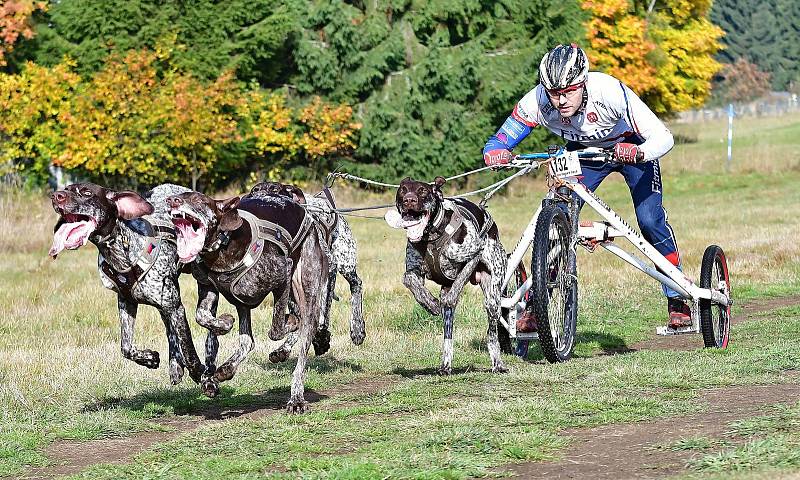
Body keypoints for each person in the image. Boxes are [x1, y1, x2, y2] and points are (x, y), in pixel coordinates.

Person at [483, 43, 691, 330]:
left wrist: (639, 152)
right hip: (583, 154)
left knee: (650, 219)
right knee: (556, 219)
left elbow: (664, 138)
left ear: (583, 82)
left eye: (569, 91)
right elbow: (500, 140)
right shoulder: (537, 101)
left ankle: (677, 297)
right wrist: (496, 151)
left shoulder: (609, 91)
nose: (561, 101)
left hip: (632, 148)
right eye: (555, 93)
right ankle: (536, 303)